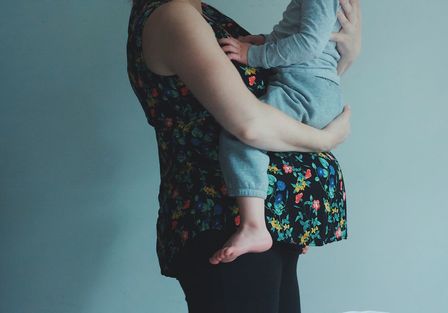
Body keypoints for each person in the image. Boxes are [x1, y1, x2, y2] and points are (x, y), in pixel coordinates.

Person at [126, 0, 361, 312]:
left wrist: (346, 53)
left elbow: (299, 74)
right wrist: (326, 139)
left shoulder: (205, 15)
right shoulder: (175, 16)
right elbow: (249, 125)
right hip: (223, 221)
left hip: (263, 224)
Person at [212, 0, 347, 265]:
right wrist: (263, 40)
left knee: (242, 135)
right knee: (285, 155)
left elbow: (308, 44)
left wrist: (253, 55)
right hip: (319, 88)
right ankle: (298, 226)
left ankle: (253, 227)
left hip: (304, 87)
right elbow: (298, 34)